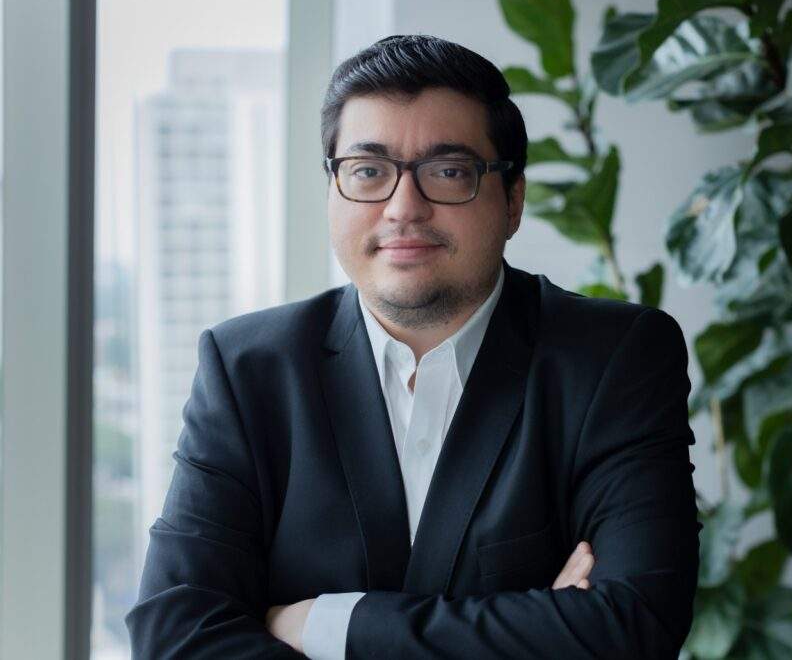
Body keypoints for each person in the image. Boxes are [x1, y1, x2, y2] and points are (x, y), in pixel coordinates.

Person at [125, 34, 701, 659]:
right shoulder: (247, 370)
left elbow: (634, 626)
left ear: (513, 200)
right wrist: (543, 626)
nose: (403, 208)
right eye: (368, 172)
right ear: (332, 189)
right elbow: (174, 636)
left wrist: (327, 626)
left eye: (448, 172)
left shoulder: (616, 358)